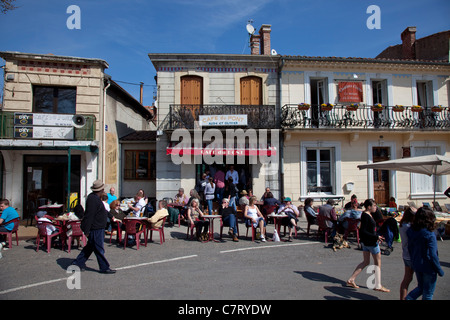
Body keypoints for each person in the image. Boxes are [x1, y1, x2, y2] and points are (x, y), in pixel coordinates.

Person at [72, 180, 115, 274]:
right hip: (96, 228)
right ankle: (104, 267)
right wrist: (86, 230)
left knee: (90, 247)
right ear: (100, 190)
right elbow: (89, 216)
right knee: (99, 248)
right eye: (103, 189)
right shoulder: (92, 199)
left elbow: (103, 210)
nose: (104, 191)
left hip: (98, 227)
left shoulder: (95, 198)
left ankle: (77, 263)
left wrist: (111, 217)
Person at [346, 199, 389, 292]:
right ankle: (378, 285)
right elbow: (363, 231)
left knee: (366, 262)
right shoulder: (366, 215)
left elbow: (379, 217)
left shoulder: (368, 214)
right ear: (369, 207)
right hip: (371, 242)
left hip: (366, 242)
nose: (375, 207)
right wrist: (376, 236)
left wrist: (376, 210)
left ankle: (351, 279)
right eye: (374, 206)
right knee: (377, 263)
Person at [406, 206, 444, 300]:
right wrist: (439, 269)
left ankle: (409, 298)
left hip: (417, 264)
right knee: (428, 293)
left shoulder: (411, 231)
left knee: (421, 287)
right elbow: (433, 254)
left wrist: (413, 261)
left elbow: (410, 248)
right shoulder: (430, 234)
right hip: (428, 266)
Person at [399, 207, 416, 300]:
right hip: (412, 255)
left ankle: (403, 298)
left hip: (406, 255)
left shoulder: (402, 225)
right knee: (419, 282)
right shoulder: (409, 227)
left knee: (407, 279)